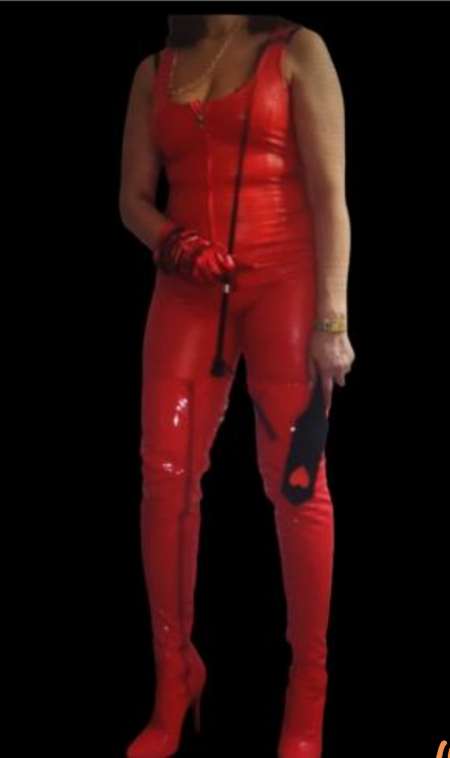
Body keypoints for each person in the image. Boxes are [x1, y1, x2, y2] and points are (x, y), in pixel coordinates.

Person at [119, 13, 355, 758]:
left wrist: (332, 319)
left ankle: (308, 694)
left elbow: (331, 195)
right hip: (187, 288)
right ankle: (174, 679)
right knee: (163, 480)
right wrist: (172, 242)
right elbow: (131, 199)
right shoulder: (154, 70)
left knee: (296, 483)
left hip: (285, 280)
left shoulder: (298, 51)